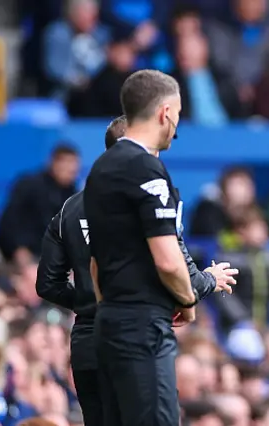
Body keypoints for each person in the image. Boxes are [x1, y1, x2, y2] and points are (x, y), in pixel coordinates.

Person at [35, 115, 237, 426]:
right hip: (138, 339)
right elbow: (180, 272)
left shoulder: (69, 209)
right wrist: (211, 279)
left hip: (87, 344)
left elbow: (48, 284)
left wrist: (92, 302)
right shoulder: (152, 201)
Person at [84, 69, 236, 426]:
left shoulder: (99, 169)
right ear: (165, 112)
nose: (177, 125)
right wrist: (190, 295)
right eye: (179, 114)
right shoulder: (147, 170)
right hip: (142, 328)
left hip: (108, 323)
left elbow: (96, 265)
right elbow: (168, 261)